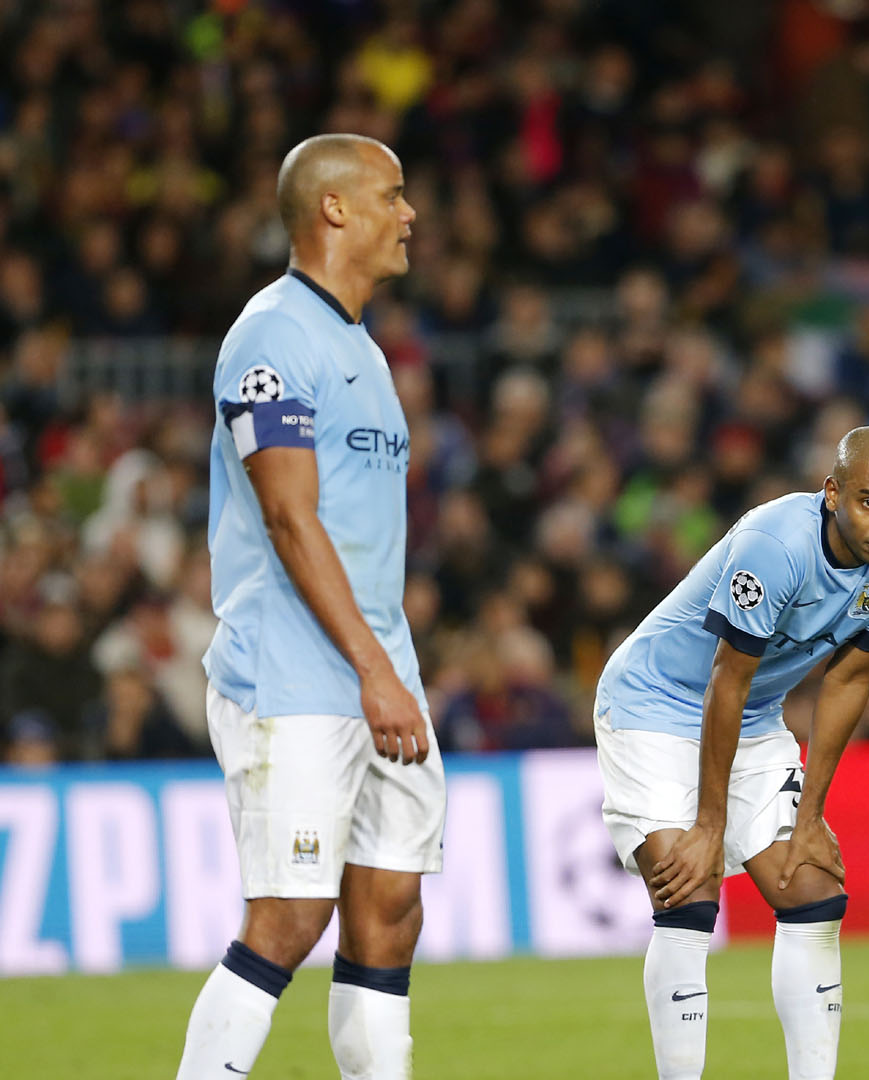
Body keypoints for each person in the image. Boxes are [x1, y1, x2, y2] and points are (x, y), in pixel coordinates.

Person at [176, 133, 443, 1080]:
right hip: (292, 677)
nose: (409, 214)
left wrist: (387, 667)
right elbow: (289, 519)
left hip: (378, 671)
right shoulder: (271, 336)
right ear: (334, 208)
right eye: (393, 195)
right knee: (289, 916)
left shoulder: (360, 349)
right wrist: (374, 670)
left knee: (390, 914)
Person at [595, 426, 869, 1080]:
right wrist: (709, 828)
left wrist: (810, 817)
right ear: (831, 493)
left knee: (811, 889)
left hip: (752, 715)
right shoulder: (774, 546)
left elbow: (849, 678)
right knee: (687, 889)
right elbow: (726, 678)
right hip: (655, 702)